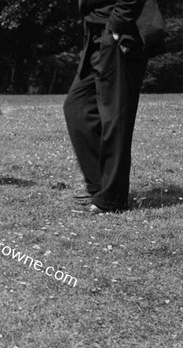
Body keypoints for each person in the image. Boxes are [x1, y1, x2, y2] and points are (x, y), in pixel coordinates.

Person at [63, 0, 157, 214]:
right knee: (76, 106)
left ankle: (112, 199)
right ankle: (99, 186)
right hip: (96, 34)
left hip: (119, 34)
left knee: (116, 116)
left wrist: (115, 26)